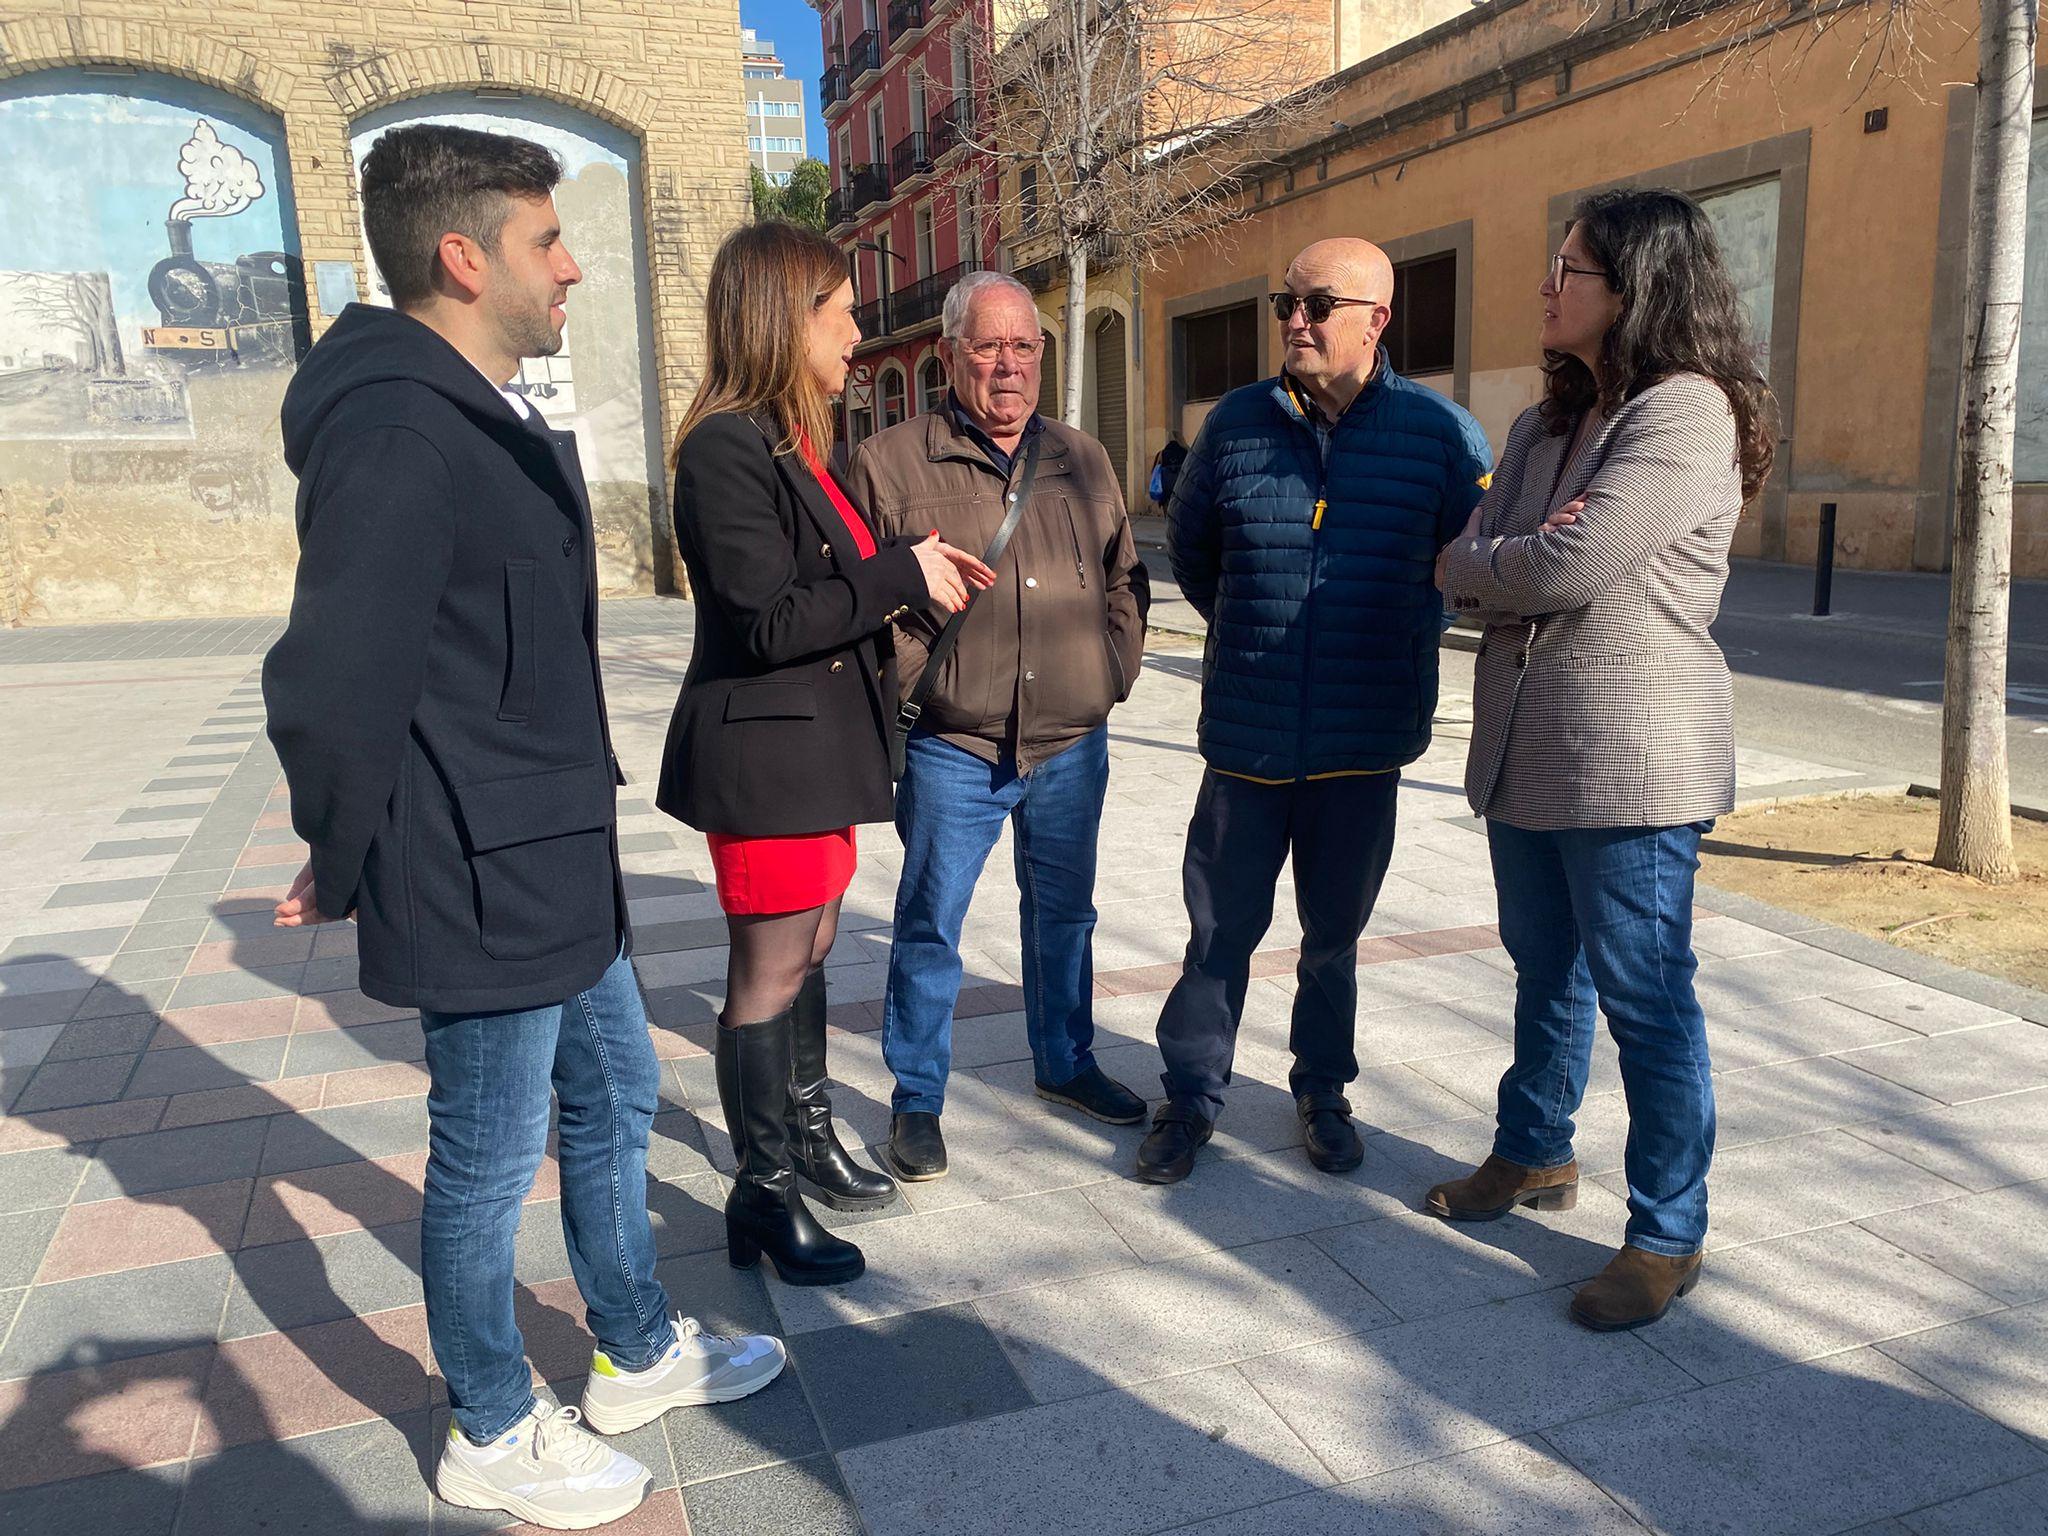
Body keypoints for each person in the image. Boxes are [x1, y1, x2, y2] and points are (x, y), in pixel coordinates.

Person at [263, 124, 784, 1531]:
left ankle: (631, 1348)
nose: (571, 270)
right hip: (477, 867)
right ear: (461, 255)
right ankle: (490, 1422)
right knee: (487, 1156)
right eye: (546, 242)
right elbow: (332, 675)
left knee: (614, 1098)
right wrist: (348, 842)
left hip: (556, 851)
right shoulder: (394, 423)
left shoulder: (476, 408)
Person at [1430, 188, 1776, 1331]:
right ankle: (1532, 1151)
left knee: (1645, 999)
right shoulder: (1540, 426)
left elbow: (1552, 570)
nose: (1545, 285)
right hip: (1523, 746)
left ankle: (1666, 1233)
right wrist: (1492, 560)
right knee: (1542, 967)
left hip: (1631, 758)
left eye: (1568, 268)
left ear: (1635, 290)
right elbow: (1504, 555)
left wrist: (1482, 563)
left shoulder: (1686, 413)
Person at [658, 223, 994, 1270]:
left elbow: (828, 583)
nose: (856, 333)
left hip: (815, 757)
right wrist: (897, 574)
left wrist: (906, 560)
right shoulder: (725, 445)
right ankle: (759, 1197)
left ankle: (803, 1139)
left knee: (805, 954)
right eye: (840, 312)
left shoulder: (790, 440)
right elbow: (765, 618)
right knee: (764, 973)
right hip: (764, 763)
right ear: (783, 315)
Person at [1141, 238, 1495, 1186]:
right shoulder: (1238, 423)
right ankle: (1189, 1098)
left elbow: (1467, 566)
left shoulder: (1442, 435)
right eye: (1285, 303)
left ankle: (1322, 1092)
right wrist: (1257, 636)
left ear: (1377, 320)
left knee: (1332, 940)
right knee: (1217, 936)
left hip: (1362, 743)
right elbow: (1196, 551)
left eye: (1318, 304)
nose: (1295, 321)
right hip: (1249, 741)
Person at [846, 271, 1150, 1182]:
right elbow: (865, 605)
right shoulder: (890, 462)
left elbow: (1126, 580)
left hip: (1069, 742)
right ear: (949, 355)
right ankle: (917, 1099)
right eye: (989, 347)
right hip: (955, 744)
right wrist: (920, 688)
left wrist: (1110, 674)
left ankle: (1065, 1063)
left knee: (1066, 914)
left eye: (1026, 347)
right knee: (931, 923)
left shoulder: (1084, 459)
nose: (1010, 366)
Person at [1148, 432, 1188, 510]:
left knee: (1168, 514)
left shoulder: (1161, 454)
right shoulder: (1185, 452)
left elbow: (1154, 471)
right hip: (1181, 492)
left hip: (1166, 492)